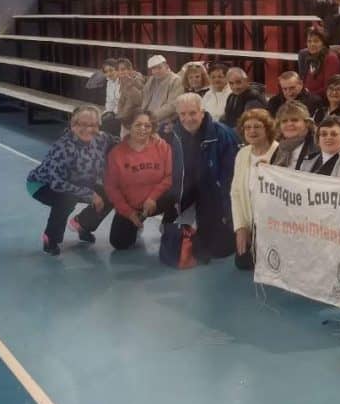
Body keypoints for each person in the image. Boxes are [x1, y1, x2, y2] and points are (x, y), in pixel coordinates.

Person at [27, 105, 115, 255]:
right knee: (67, 198)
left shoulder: (102, 138)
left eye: (93, 125)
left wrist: (150, 138)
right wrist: (90, 194)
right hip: (43, 184)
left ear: (98, 126)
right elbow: (57, 183)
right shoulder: (63, 147)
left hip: (79, 181)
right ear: (73, 125)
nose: (88, 129)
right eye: (82, 124)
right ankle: (50, 237)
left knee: (112, 193)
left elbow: (122, 143)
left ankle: (83, 224)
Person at [164, 93, 240, 260]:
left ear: (202, 113)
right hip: (188, 190)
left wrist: (227, 211)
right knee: (171, 241)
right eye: (183, 114)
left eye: (192, 113)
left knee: (218, 252)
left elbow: (231, 177)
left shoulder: (223, 134)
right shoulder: (175, 134)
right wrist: (176, 199)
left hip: (214, 194)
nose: (187, 119)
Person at [103, 110, 173, 251]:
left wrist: (152, 198)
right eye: (138, 125)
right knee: (119, 243)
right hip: (132, 206)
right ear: (130, 126)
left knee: (180, 193)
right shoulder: (117, 153)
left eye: (147, 126)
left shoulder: (162, 146)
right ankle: (137, 222)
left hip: (157, 201)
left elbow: (170, 176)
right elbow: (111, 187)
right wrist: (128, 213)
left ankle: (169, 225)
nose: (143, 129)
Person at [230, 108, 278, 271]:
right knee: (243, 263)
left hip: (274, 224)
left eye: (257, 126)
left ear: (267, 129)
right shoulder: (242, 154)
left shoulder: (279, 152)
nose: (252, 131)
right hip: (251, 222)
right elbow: (236, 193)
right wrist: (241, 227)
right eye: (247, 127)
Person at [296, 115, 340, 179]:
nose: (328, 137)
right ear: (318, 140)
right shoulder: (307, 161)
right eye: (324, 134)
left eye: (334, 134)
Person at [297, 26, 340, 97]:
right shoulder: (308, 57)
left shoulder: (331, 58)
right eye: (309, 41)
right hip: (306, 95)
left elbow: (328, 89)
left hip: (319, 98)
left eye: (316, 41)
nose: (312, 44)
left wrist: (308, 95)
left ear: (324, 43)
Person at [271, 101, 318, 169]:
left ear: (306, 123)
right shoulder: (280, 147)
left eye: (294, 120)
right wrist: (267, 167)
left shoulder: (317, 146)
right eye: (284, 121)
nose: (289, 124)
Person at [142, 54, 184, 125]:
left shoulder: (176, 80)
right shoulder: (152, 80)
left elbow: (172, 106)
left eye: (159, 68)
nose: (156, 71)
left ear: (166, 66)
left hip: (163, 121)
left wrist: (151, 117)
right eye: (153, 69)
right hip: (147, 119)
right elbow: (144, 99)